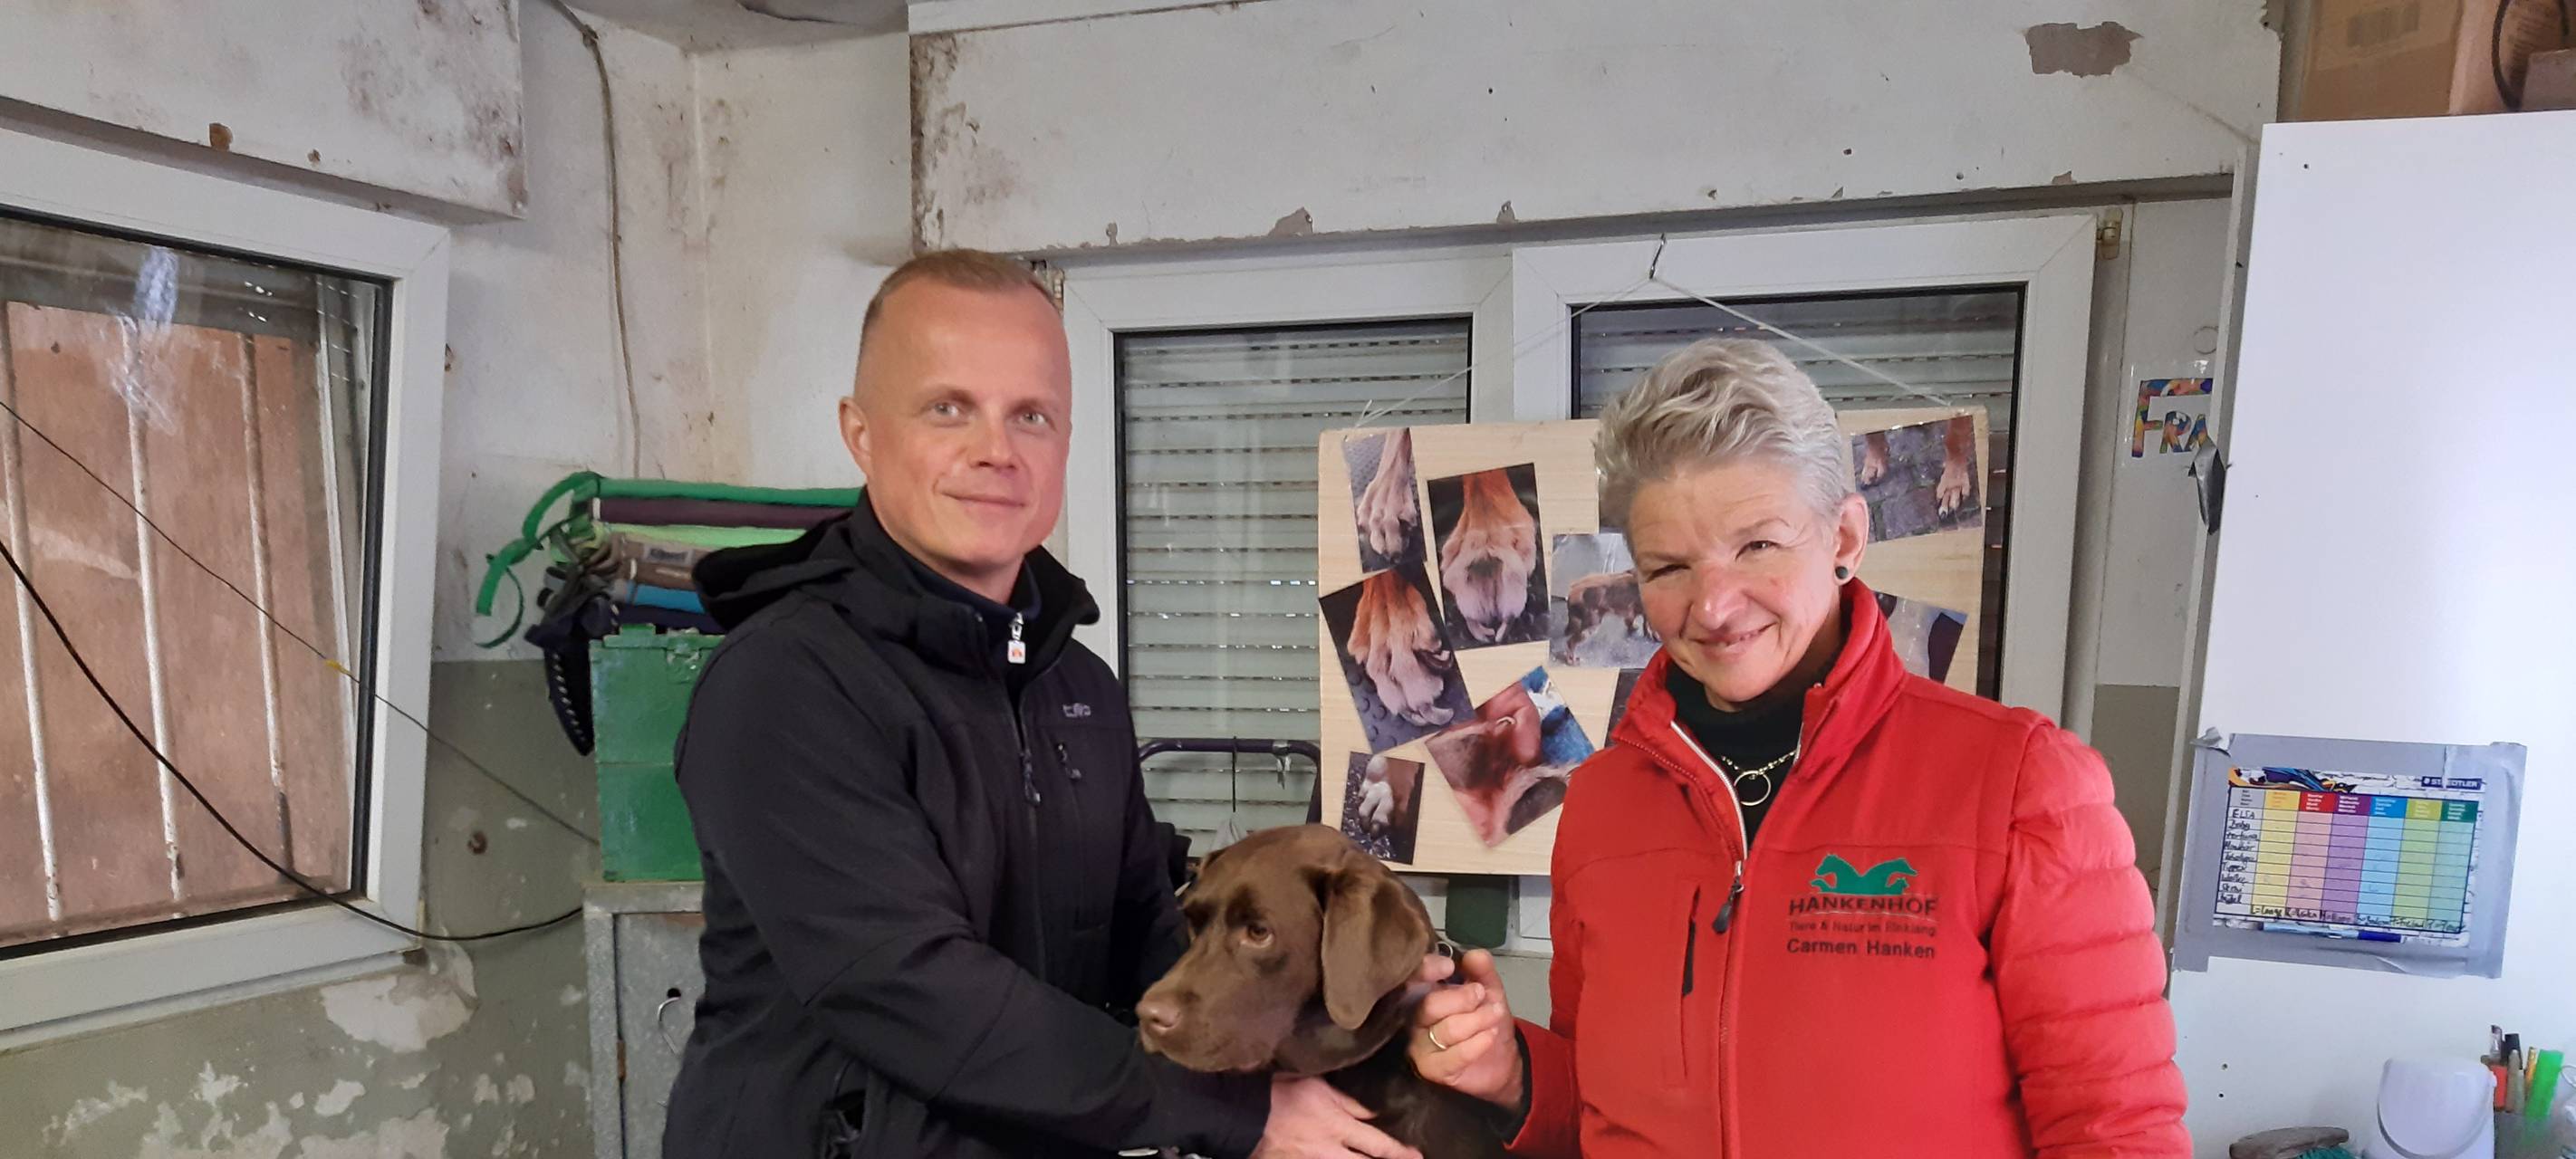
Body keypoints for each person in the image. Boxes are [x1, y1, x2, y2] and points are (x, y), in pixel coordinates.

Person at [665, 250, 1420, 1159]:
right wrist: (1234, 1116)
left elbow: (1149, 931)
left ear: (1065, 440)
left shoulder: (1079, 686)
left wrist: (1387, 1009)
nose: (996, 448)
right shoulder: (785, 684)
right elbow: (909, 987)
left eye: (1032, 415)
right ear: (861, 433)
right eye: (949, 407)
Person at [1405, 339, 2187, 1156]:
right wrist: (1510, 1071)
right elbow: (1603, 1108)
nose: (1713, 605)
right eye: (1669, 566)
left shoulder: (2020, 782)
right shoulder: (1602, 801)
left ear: (1845, 538)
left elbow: (2116, 1130)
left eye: (1758, 547)